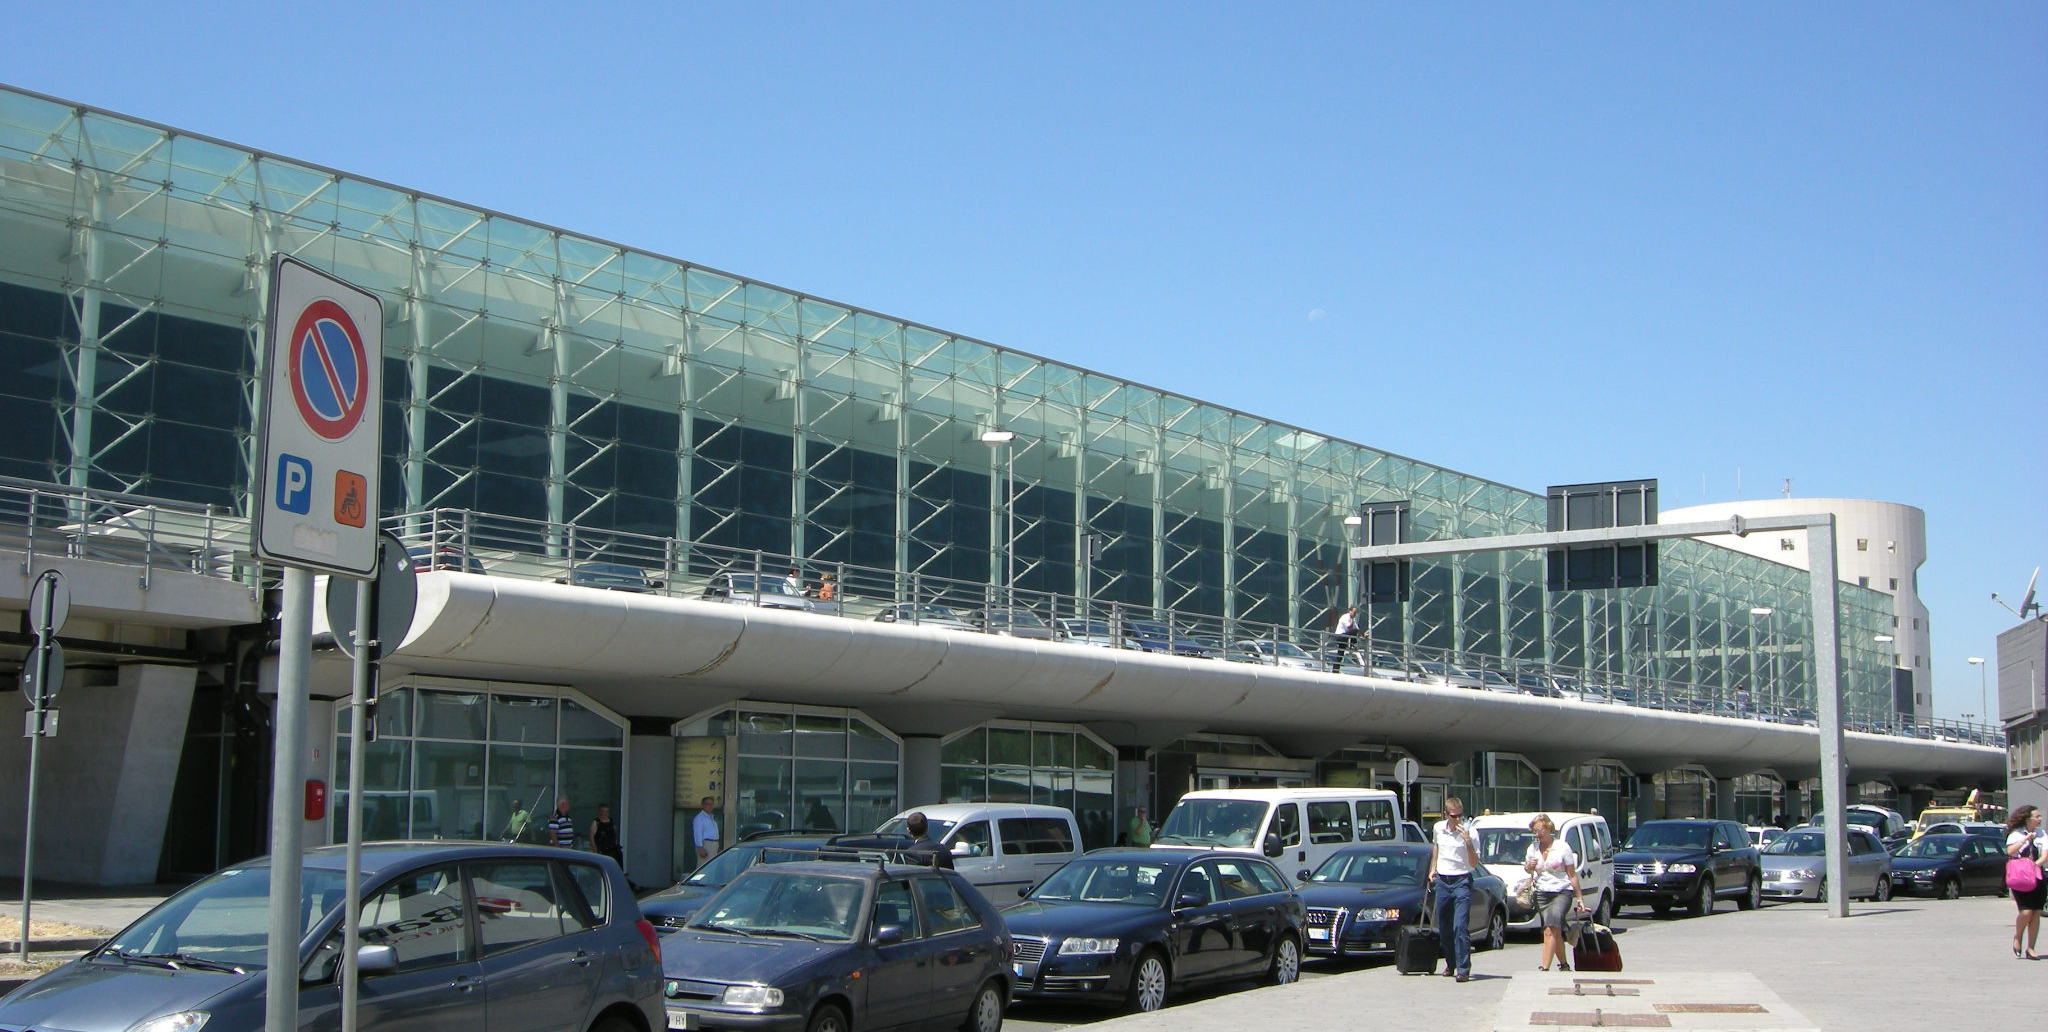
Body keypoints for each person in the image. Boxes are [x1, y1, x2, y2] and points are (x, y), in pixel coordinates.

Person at [1425, 796, 1481, 982]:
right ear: (1446, 814)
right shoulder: (1438, 828)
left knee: (1460, 926)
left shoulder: (1470, 832)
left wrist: (1468, 842)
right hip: (1443, 880)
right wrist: (1433, 869)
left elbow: (1474, 863)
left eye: (1460, 816)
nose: (1457, 820)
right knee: (1444, 926)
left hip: (1462, 880)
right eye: (1453, 816)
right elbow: (1436, 849)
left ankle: (1463, 969)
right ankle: (1451, 962)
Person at [1523, 813, 1588, 971]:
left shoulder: (1562, 847)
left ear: (1548, 828)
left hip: (1561, 891)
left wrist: (1579, 899)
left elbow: (1572, 875)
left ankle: (1545, 967)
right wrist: (1529, 866)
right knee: (1555, 929)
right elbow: (1527, 870)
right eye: (1534, 832)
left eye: (1539, 830)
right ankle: (1564, 965)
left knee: (1549, 928)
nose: (1536, 835)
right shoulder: (1533, 848)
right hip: (1542, 893)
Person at [2005, 804, 2048, 958]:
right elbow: (2010, 851)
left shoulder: (2042, 834)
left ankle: (2031, 948)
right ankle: (2018, 936)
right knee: (2026, 911)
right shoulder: (2016, 834)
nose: (2040, 819)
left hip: (2037, 876)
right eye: (2037, 817)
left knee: (2036, 912)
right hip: (2020, 877)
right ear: (2028, 818)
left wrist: (2034, 866)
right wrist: (2025, 839)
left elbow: (2044, 855)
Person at [1330, 606, 1360, 671]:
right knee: (1354, 631)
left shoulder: (1352, 619)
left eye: (1356, 613)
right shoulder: (1345, 617)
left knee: (1341, 653)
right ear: (1350, 611)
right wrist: (1352, 620)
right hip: (1340, 635)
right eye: (1354, 612)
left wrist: (1364, 635)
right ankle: (1352, 644)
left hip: (1345, 637)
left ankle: (1335, 669)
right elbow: (1349, 627)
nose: (1355, 614)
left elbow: (1357, 629)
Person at [693, 795, 722, 864]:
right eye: (707, 804)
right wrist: (700, 848)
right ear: (702, 805)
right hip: (706, 845)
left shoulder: (711, 818)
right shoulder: (699, 818)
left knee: (712, 868)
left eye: (711, 804)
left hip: (714, 845)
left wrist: (716, 847)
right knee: (704, 867)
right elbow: (697, 834)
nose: (709, 806)